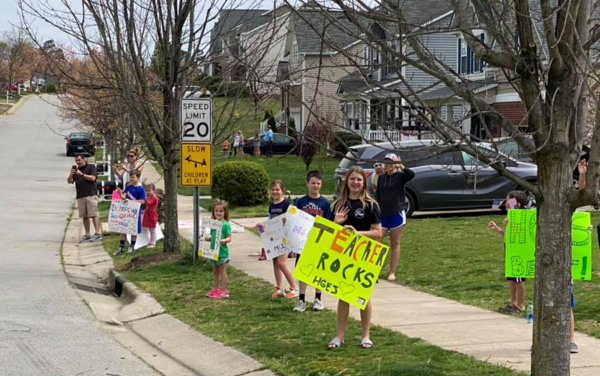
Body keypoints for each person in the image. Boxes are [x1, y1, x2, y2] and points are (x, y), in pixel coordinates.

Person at [328, 166, 382, 350]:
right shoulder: (337, 205)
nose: (355, 182)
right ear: (347, 181)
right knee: (343, 295)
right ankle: (339, 336)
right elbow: (326, 234)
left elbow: (378, 233)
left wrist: (357, 233)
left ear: (364, 182)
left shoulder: (370, 205)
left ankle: (365, 335)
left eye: (359, 179)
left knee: (363, 296)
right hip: (343, 256)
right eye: (352, 179)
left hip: (364, 255)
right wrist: (336, 223)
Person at [293, 170, 332, 312]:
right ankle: (301, 300)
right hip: (302, 242)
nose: (315, 186)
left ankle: (318, 299)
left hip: (318, 241)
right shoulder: (300, 202)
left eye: (318, 183)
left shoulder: (325, 203)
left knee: (318, 271)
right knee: (302, 270)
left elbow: (328, 223)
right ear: (307, 184)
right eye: (313, 183)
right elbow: (295, 222)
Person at [374, 153, 415, 281]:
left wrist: (401, 166)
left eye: (391, 163)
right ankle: (374, 270)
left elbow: (411, 175)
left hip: (396, 212)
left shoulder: (400, 176)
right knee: (377, 242)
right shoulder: (381, 178)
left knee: (394, 242)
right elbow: (378, 195)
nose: (388, 165)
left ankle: (392, 272)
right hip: (383, 214)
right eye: (386, 162)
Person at [488, 190, 528, 313]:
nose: (506, 203)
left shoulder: (522, 219)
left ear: (518, 205)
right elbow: (508, 236)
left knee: (518, 279)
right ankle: (513, 303)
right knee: (511, 280)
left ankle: (520, 305)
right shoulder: (510, 218)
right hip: (509, 250)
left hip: (517, 252)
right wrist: (498, 229)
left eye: (509, 201)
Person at [257, 180, 299, 298]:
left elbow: (293, 219)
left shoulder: (287, 205)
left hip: (285, 238)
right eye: (273, 190)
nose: (275, 192)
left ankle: (294, 288)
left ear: (282, 191)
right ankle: (279, 288)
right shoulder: (272, 205)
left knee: (282, 263)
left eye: (277, 190)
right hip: (273, 238)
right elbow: (271, 221)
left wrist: (288, 221)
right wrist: (262, 226)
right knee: (275, 262)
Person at [67, 154, 102, 242]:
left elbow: (93, 178)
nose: (78, 162)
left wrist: (82, 174)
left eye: (79, 160)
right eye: (76, 161)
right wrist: (71, 174)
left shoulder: (91, 167)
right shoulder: (76, 170)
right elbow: (69, 181)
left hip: (90, 194)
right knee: (84, 216)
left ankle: (97, 233)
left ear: (84, 159)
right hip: (80, 195)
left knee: (93, 214)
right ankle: (87, 233)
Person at [206, 201, 233, 299]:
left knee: (222, 271)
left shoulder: (226, 225)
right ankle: (216, 289)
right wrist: (207, 238)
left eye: (221, 211)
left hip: (222, 252)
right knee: (215, 272)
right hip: (213, 252)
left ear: (225, 212)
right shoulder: (213, 223)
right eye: (216, 211)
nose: (218, 213)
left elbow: (229, 238)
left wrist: (224, 240)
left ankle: (224, 290)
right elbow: (211, 235)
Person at [115, 170, 146, 254]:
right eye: (130, 177)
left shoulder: (141, 189)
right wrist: (120, 194)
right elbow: (124, 197)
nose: (131, 179)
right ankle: (121, 248)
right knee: (123, 229)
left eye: (133, 177)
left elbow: (142, 201)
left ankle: (132, 247)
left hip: (135, 212)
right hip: (126, 211)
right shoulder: (128, 187)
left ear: (138, 178)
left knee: (133, 230)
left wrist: (132, 202)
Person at [143, 183, 159, 249]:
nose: (148, 192)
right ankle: (151, 241)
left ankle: (153, 243)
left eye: (150, 190)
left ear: (153, 190)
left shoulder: (154, 197)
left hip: (152, 214)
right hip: (148, 214)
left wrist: (145, 197)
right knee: (150, 229)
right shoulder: (150, 197)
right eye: (147, 191)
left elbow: (149, 203)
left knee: (152, 229)